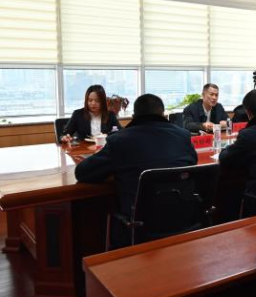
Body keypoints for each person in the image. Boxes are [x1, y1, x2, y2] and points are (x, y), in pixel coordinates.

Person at [75, 94, 198, 248]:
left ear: (134, 116)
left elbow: (83, 173)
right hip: (183, 220)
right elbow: (192, 162)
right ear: (163, 114)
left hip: (140, 226)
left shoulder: (119, 140)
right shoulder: (183, 136)